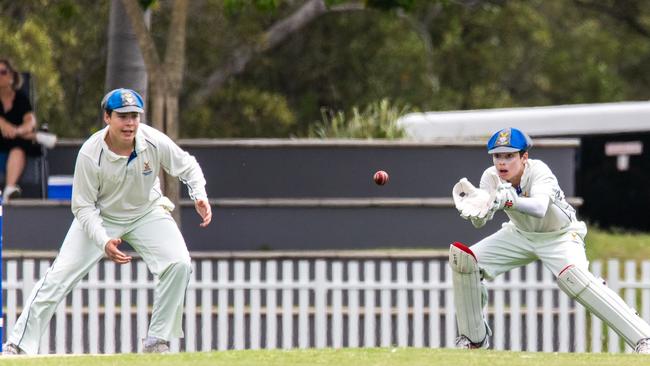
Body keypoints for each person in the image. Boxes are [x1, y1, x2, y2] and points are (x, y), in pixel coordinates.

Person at [3, 88, 212, 355]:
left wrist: (199, 195)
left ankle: (157, 340)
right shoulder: (91, 153)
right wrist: (103, 241)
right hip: (100, 217)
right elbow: (82, 207)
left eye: (134, 116)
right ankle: (18, 345)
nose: (130, 123)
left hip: (146, 211)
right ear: (107, 117)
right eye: (122, 116)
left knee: (179, 263)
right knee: (57, 278)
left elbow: (188, 166)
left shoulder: (153, 140)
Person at [449, 127, 650, 353]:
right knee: (465, 260)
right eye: (497, 156)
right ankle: (473, 340)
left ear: (524, 157)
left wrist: (507, 201)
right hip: (520, 234)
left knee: (574, 278)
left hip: (561, 235)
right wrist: (477, 209)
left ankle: (644, 338)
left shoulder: (539, 171)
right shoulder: (490, 176)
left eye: (509, 156)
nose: (502, 162)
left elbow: (539, 208)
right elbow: (483, 218)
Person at [0, 58, 41, 201]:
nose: (0, 76)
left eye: (3, 72)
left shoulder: (21, 99)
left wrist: (16, 131)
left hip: (15, 146)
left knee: (18, 149)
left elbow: (30, 122)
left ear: (11, 75)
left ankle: (9, 190)